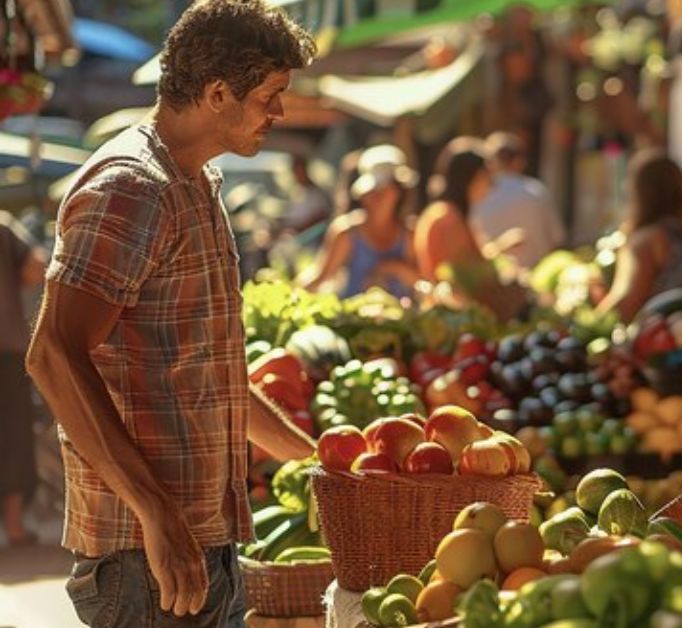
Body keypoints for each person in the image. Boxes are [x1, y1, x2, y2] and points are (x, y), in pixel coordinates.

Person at [24, 1, 318, 624]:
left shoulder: (196, 178)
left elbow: (209, 374)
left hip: (205, 543)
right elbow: (52, 354)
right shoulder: (131, 187)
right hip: (145, 560)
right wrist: (158, 516)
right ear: (217, 93)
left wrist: (312, 457)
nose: (280, 112)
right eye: (271, 95)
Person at [596, 149, 682, 323]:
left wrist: (588, 321)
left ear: (639, 194)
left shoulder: (644, 240)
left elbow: (625, 306)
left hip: (666, 340)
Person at [414, 136, 527, 321]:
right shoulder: (446, 218)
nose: (490, 186)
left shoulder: (450, 214)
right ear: (469, 178)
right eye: (486, 177)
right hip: (452, 318)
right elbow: (463, 274)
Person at [301, 144, 422, 299]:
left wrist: (392, 268)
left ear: (397, 192)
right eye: (371, 192)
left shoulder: (410, 234)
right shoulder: (347, 232)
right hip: (354, 321)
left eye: (382, 191)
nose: (374, 198)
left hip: (401, 321)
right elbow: (322, 278)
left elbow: (424, 281)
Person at [0, 211, 45, 548]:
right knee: (13, 434)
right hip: (5, 347)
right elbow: (35, 268)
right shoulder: (3, 227)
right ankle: (14, 526)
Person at [472, 131, 565, 269]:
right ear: (519, 162)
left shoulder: (478, 196)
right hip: (536, 275)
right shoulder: (537, 191)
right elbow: (556, 240)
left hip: (492, 277)